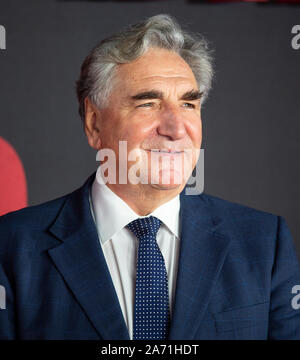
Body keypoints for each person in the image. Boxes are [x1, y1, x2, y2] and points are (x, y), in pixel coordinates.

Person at [0, 14, 300, 340]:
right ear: (94, 123)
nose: (175, 128)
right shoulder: (12, 246)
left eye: (188, 104)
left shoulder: (264, 243)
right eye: (148, 103)